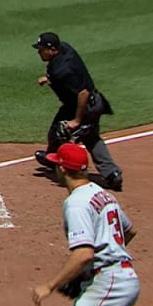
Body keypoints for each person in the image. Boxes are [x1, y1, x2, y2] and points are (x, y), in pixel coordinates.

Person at [32, 143, 139, 306]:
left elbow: (84, 254)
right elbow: (129, 231)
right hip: (126, 278)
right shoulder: (102, 193)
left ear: (63, 169)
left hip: (109, 284)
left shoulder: (76, 203)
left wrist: (50, 286)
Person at [32, 32, 123, 191]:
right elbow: (74, 74)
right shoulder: (65, 48)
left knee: (84, 137)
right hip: (94, 101)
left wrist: (77, 120)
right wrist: (50, 79)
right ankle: (112, 174)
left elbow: (83, 93)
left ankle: (58, 159)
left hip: (83, 105)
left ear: (52, 49)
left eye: (41, 49)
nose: (38, 52)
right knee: (66, 133)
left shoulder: (62, 70)